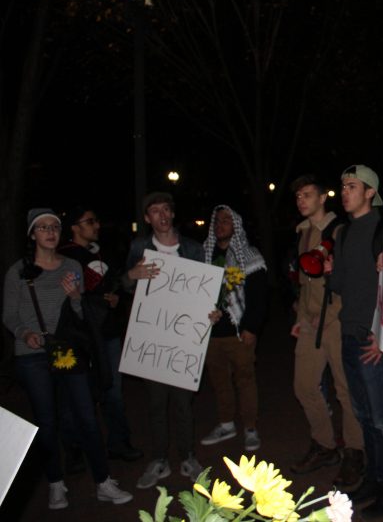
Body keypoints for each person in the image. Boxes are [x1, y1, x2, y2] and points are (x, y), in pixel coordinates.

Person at [3, 208, 133, 510]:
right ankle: (55, 483)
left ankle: (103, 482)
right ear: (32, 234)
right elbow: (9, 314)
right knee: (47, 421)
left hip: (67, 349)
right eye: (43, 227)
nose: (50, 232)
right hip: (33, 354)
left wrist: (76, 296)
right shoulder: (18, 271)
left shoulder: (72, 265)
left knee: (87, 416)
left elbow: (81, 317)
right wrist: (25, 333)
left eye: (55, 227)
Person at [328, 164, 383, 518]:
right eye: (342, 186)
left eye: (352, 186)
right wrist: (330, 269)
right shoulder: (343, 233)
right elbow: (343, 287)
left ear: (370, 192)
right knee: (364, 416)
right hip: (349, 334)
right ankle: (375, 479)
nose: (344, 192)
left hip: (374, 337)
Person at [123, 192, 205, 489]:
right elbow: (124, 287)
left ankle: (188, 457)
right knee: (156, 404)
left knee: (183, 403)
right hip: (152, 339)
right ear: (147, 218)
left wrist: (210, 313)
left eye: (166, 209)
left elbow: (206, 292)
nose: (162, 216)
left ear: (173, 213)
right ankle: (159, 459)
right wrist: (132, 274)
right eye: (155, 211)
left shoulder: (193, 249)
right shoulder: (139, 247)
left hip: (183, 340)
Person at [289, 174, 365, 489]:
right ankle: (325, 443)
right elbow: (305, 281)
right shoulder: (303, 232)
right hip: (310, 321)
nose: (301, 200)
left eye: (307, 195)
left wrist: (330, 315)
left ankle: (354, 451)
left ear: (322, 198)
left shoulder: (340, 231)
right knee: (304, 385)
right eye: (298, 196)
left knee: (346, 391)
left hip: (335, 320)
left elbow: (349, 280)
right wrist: (300, 313)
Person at [58, 205, 143, 463]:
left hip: (107, 333)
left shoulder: (103, 252)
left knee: (113, 391)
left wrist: (116, 297)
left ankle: (118, 442)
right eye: (90, 221)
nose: (96, 225)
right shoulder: (63, 258)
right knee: (80, 394)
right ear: (74, 227)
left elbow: (113, 284)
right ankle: (76, 449)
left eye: (96, 220)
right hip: (80, 338)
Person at [199, 205, 267, 452]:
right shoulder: (203, 255)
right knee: (219, 381)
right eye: (217, 220)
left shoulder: (249, 256)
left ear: (236, 225)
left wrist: (251, 327)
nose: (221, 224)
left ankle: (250, 427)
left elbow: (259, 297)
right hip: (211, 333)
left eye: (227, 220)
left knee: (245, 380)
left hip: (240, 331)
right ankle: (226, 424)